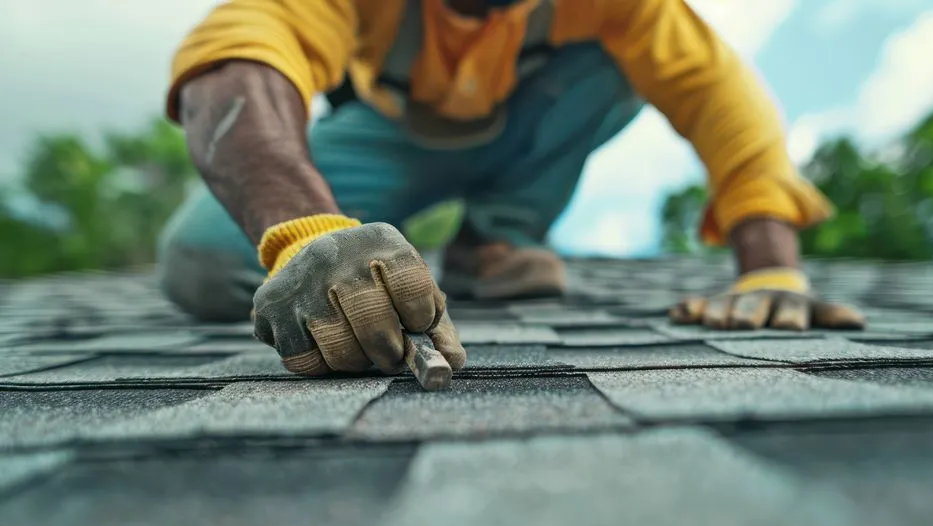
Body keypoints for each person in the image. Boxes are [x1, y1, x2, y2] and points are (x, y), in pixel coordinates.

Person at [157, 0, 865, 376]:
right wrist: (307, 232)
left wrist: (772, 266)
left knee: (616, 66)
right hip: (392, 139)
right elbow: (236, 56)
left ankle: (496, 237)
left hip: (536, 119)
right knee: (206, 257)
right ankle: (345, 237)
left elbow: (720, 97)